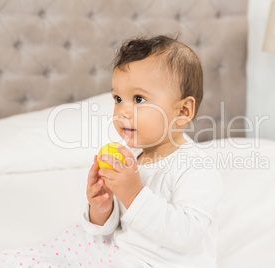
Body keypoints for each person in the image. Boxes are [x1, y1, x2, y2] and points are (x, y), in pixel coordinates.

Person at [81, 35, 223, 267]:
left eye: (138, 98)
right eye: (118, 98)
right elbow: (115, 230)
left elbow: (187, 235)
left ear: (183, 111)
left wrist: (133, 194)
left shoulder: (196, 167)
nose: (122, 111)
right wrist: (102, 208)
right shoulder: (131, 161)